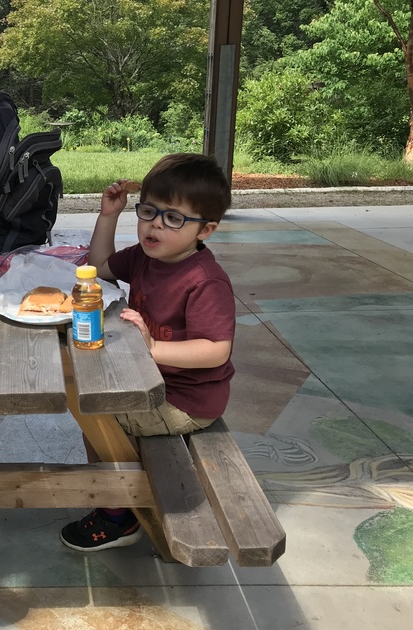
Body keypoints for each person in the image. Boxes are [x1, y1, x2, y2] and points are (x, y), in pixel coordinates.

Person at [59, 153, 235, 552]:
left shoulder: (204, 281)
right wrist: (109, 216)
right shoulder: (145, 256)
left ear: (205, 230)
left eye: (174, 218)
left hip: (185, 399)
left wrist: (154, 348)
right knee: (90, 394)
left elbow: (216, 351)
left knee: (94, 410)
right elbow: (99, 267)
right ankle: (118, 489)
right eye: (149, 211)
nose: (155, 224)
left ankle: (117, 514)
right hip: (149, 379)